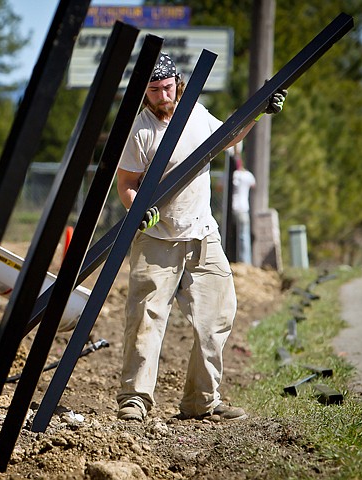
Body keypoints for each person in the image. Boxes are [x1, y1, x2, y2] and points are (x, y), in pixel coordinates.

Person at [114, 52, 286, 422]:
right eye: (154, 90)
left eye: (167, 86)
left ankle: (201, 401)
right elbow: (126, 184)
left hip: (202, 234)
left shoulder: (195, 114)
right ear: (144, 93)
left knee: (217, 316)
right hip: (156, 238)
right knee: (146, 317)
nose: (162, 96)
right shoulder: (140, 130)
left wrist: (258, 111)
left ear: (178, 81)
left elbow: (227, 139)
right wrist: (136, 209)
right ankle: (135, 398)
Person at [231, 149, 256, 264]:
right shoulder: (247, 175)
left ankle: (235, 259)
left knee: (232, 236)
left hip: (232, 209)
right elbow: (253, 185)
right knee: (244, 236)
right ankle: (245, 261)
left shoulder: (231, 175)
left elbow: (219, 187)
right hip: (243, 209)